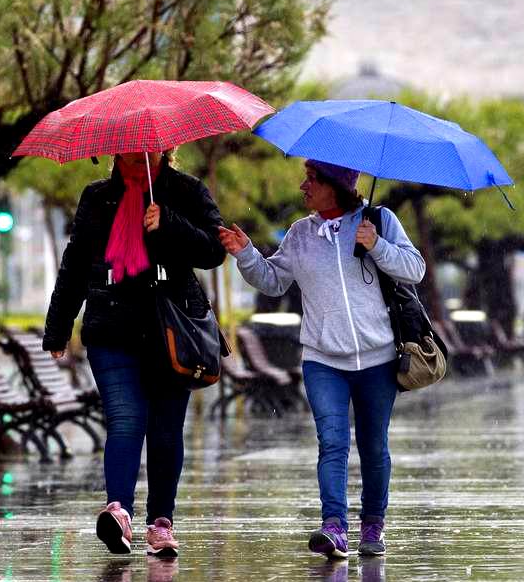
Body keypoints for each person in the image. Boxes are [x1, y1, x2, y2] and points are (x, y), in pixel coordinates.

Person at [218, 159, 425, 559]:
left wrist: (377, 245)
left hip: (378, 358)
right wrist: (246, 254)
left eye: (312, 179)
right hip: (322, 360)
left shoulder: (380, 220)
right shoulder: (300, 233)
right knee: (331, 442)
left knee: (373, 446)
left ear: (336, 184)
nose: (303, 186)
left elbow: (414, 269)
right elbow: (273, 280)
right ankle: (334, 526)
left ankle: (373, 525)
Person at [43, 150, 225, 558]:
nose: (135, 151)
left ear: (164, 148)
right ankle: (119, 511)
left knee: (165, 430)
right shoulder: (97, 197)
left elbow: (214, 251)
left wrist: (170, 223)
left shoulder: (186, 191)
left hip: (171, 329)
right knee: (125, 419)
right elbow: (75, 264)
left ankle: (160, 523)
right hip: (111, 327)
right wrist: (58, 326)